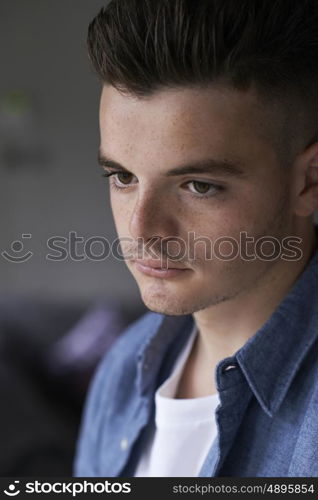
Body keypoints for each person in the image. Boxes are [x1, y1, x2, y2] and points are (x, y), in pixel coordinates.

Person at [74, 0, 318, 477]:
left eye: (199, 186)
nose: (142, 232)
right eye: (123, 177)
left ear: (308, 181)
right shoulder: (123, 370)